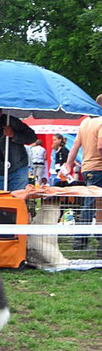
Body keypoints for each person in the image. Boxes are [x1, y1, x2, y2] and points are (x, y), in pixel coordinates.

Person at [64, 95, 102, 253]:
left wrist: (68, 165)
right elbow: (101, 146)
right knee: (95, 207)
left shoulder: (85, 122)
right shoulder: (101, 122)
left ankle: (86, 241)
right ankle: (88, 241)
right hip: (99, 168)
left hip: (87, 168)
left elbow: (74, 146)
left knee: (93, 205)